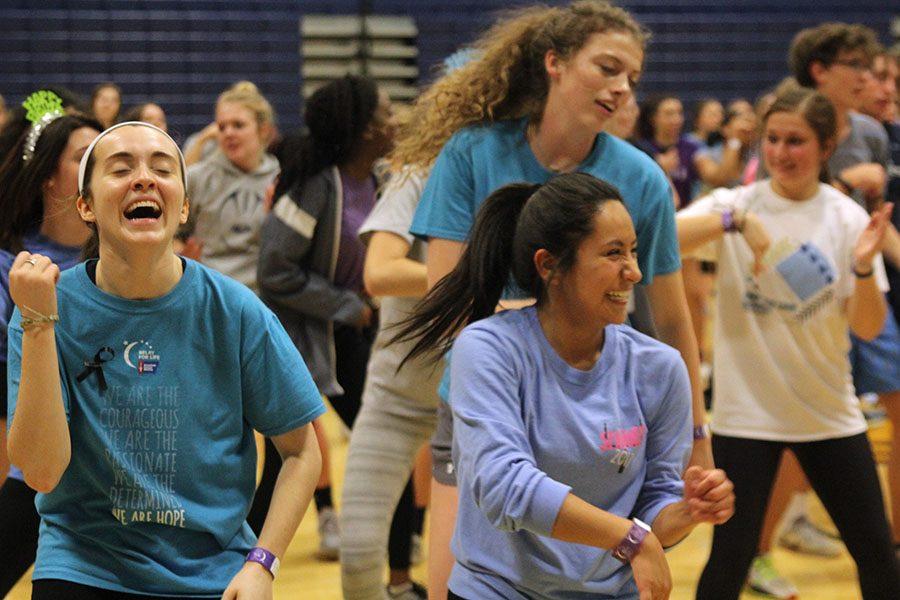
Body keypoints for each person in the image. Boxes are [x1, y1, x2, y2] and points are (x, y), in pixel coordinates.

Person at [390, 4, 712, 596]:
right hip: (490, 401)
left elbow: (671, 317)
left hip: (598, 409)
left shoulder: (639, 178)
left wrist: (696, 432)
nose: (620, 89)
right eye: (608, 68)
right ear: (555, 63)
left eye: (632, 80)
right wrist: (550, 321)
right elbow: (452, 299)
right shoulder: (472, 153)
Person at [6, 120, 324, 599]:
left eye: (161, 167)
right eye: (120, 168)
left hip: (211, 574)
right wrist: (36, 321)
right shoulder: (48, 305)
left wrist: (263, 563)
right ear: (85, 206)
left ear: (184, 207)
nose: (143, 178)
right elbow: (42, 473)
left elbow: (301, 451)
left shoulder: (236, 311)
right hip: (82, 568)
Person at [393, 172, 733, 599]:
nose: (634, 272)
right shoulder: (487, 350)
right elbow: (503, 486)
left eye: (633, 251)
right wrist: (628, 538)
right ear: (548, 264)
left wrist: (687, 510)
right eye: (613, 254)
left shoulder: (660, 367)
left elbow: (655, 508)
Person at [681, 86, 900, 600]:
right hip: (745, 418)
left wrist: (865, 267)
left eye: (796, 141)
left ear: (826, 147)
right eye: (772, 139)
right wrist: (737, 223)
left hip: (826, 413)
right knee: (730, 560)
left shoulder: (843, 216)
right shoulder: (734, 203)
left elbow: (867, 326)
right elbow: (659, 236)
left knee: (876, 556)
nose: (781, 153)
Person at [258, 74, 396, 561]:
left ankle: (390, 559)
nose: (395, 117)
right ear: (363, 130)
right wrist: (345, 304)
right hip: (303, 336)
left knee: (377, 442)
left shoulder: (378, 180)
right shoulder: (317, 186)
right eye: (385, 111)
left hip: (350, 333)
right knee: (289, 459)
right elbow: (274, 269)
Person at [0, 90, 102, 595]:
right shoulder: (10, 267)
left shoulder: (122, 261)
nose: (100, 167)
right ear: (49, 179)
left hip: (113, 469)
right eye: (85, 158)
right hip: (33, 468)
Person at [859, 45, 900, 556]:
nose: (888, 88)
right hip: (857, 288)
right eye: (880, 77)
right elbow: (875, 224)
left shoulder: (882, 136)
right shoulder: (856, 135)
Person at [182, 81, 278, 293]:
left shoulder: (279, 178)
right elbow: (170, 235)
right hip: (209, 293)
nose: (228, 133)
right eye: (222, 126)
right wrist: (181, 260)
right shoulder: (198, 177)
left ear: (263, 130)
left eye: (238, 125)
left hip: (262, 298)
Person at [635, 94, 702, 207]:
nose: (676, 119)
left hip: (685, 213)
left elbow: (714, 175)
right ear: (653, 118)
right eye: (669, 114)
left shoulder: (690, 147)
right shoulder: (641, 149)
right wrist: (661, 169)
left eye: (679, 113)